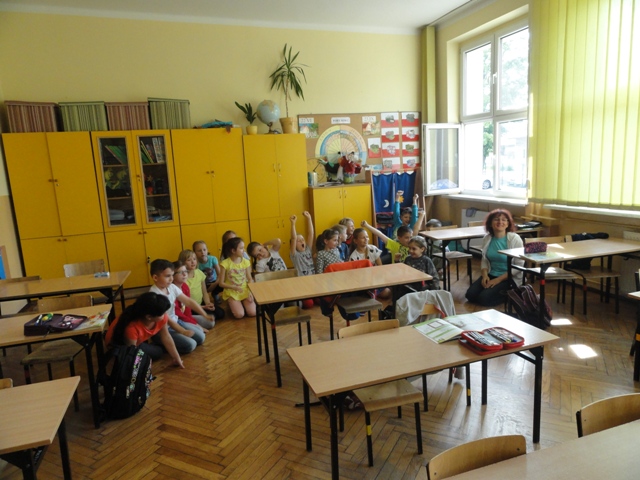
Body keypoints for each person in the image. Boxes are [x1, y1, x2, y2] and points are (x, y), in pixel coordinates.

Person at [105, 292, 184, 368]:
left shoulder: (161, 317)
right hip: (123, 345)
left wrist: (177, 358)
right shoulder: (131, 328)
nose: (165, 315)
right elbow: (132, 354)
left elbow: (166, 336)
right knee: (154, 354)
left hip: (136, 342)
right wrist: (145, 369)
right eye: (162, 313)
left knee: (158, 352)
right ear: (149, 317)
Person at [465, 209, 524, 306]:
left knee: (484, 299)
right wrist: (485, 276)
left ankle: (512, 294)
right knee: (470, 295)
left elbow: (519, 266)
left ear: (508, 223)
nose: (500, 222)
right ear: (490, 223)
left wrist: (498, 280)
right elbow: (484, 259)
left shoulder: (515, 239)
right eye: (496, 219)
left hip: (509, 278)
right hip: (491, 274)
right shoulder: (487, 238)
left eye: (504, 220)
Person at [149, 259, 209, 354]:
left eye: (172, 275)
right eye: (167, 276)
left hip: (176, 321)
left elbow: (188, 301)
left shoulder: (171, 287)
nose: (171, 279)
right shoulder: (155, 294)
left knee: (201, 337)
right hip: (163, 329)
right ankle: (161, 342)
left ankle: (173, 342)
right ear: (155, 277)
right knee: (191, 345)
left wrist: (204, 314)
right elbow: (167, 319)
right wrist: (183, 331)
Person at [179, 249, 224, 323]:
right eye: (189, 260)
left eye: (194, 259)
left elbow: (204, 292)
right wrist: (203, 307)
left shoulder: (199, 273)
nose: (193, 262)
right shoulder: (183, 278)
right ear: (183, 263)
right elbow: (185, 302)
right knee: (210, 320)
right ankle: (190, 318)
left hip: (201, 303)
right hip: (190, 307)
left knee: (221, 313)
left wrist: (208, 304)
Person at [219, 237, 256, 319]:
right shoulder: (225, 263)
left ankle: (241, 303)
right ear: (233, 250)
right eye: (241, 248)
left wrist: (250, 291)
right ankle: (233, 303)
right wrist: (233, 287)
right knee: (239, 315)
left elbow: (250, 279)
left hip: (244, 290)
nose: (244, 250)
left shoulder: (246, 262)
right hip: (232, 292)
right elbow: (221, 283)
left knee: (252, 312)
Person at [172, 260, 215, 331]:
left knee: (210, 323)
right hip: (177, 320)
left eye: (185, 271)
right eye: (180, 272)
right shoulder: (172, 291)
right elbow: (180, 316)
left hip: (185, 316)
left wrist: (203, 316)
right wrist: (198, 327)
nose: (184, 274)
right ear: (173, 276)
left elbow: (187, 310)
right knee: (200, 335)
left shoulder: (185, 287)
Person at [290, 212, 316, 309]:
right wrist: (293, 224)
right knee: (309, 304)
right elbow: (293, 238)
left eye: (303, 239)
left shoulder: (308, 249)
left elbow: (311, 233)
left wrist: (309, 218)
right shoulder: (294, 255)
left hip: (313, 282)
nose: (302, 241)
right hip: (302, 285)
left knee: (321, 300)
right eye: (299, 241)